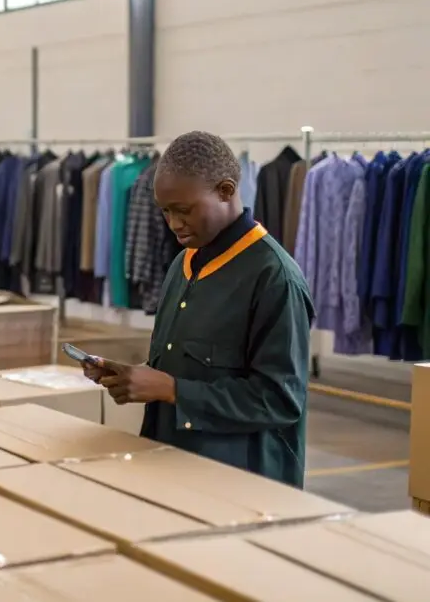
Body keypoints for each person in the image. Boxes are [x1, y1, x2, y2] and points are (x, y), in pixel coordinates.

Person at [83, 131, 314, 487]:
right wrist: (136, 380)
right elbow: (192, 367)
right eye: (165, 211)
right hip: (173, 466)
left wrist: (171, 389)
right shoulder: (183, 264)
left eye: (184, 210)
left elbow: (279, 401)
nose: (174, 224)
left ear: (225, 191)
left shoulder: (274, 279)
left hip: (239, 484)